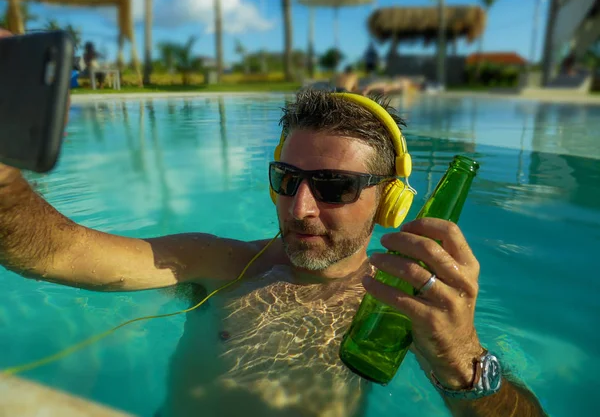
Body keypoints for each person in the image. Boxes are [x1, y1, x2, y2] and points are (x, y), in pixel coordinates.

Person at [0, 32, 547, 417]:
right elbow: (56, 252)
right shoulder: (219, 263)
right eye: (287, 179)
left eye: (333, 186)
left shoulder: (403, 308)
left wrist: (463, 360)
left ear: (389, 204)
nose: (300, 207)